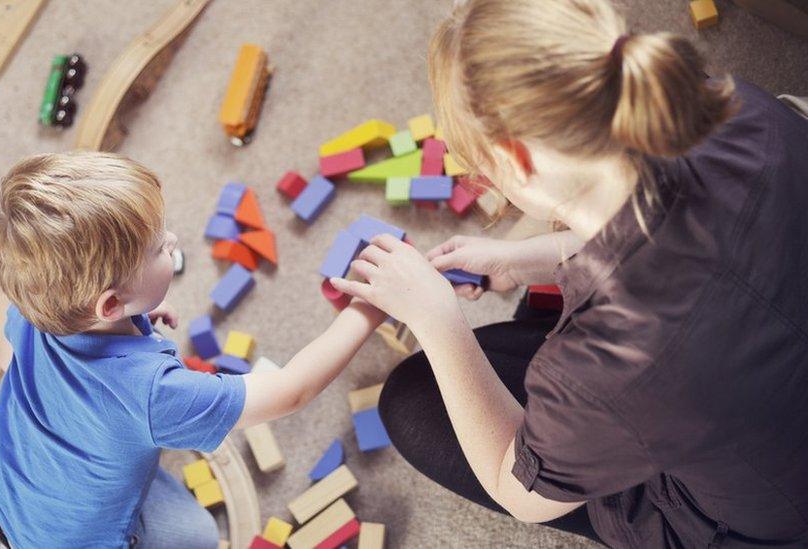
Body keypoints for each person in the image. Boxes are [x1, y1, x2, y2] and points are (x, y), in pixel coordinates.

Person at [330, 0, 808, 546]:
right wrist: (534, 255)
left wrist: (437, 321)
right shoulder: (745, 110)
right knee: (524, 348)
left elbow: (519, 493)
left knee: (413, 400)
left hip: (772, 520)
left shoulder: (603, 362)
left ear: (517, 161)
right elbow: (699, 234)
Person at [0, 151, 384, 548]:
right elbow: (290, 390)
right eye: (158, 249)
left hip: (2, 475)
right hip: (76, 541)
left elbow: (11, 358)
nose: (171, 240)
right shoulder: (154, 394)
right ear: (111, 304)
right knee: (199, 536)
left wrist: (136, 312)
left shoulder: (31, 310)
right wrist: (368, 308)